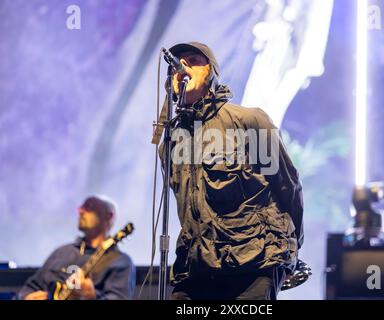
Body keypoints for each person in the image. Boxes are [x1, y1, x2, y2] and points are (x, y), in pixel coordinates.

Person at [160, 42, 304, 300]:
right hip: (197, 269)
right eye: (177, 64)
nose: (182, 67)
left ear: (211, 73)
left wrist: (292, 249)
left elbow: (287, 186)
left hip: (253, 264)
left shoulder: (249, 122)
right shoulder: (171, 141)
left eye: (193, 60)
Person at [18, 195, 136, 300]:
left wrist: (93, 297)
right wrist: (26, 296)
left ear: (109, 216)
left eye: (89, 207)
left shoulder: (120, 262)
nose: (81, 211)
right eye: (81, 207)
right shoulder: (61, 252)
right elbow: (31, 287)